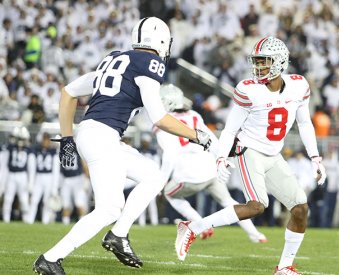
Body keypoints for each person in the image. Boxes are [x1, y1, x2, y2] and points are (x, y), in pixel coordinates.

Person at [33, 17, 211, 275]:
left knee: (153, 176)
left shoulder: (116, 58)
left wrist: (67, 136)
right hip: (102, 136)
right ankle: (50, 259)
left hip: (96, 134)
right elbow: (160, 118)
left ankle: (118, 235)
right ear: (160, 40)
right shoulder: (150, 64)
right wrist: (197, 135)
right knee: (109, 208)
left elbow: (68, 92)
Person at [174, 37, 326, 275]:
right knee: (257, 206)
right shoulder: (249, 89)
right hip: (249, 150)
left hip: (274, 154)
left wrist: (315, 158)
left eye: (264, 62)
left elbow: (305, 123)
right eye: (256, 62)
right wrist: (222, 157)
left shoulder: (298, 85)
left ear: (280, 62)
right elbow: (231, 129)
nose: (259, 67)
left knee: (300, 208)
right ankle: (193, 227)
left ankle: (284, 267)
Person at [157, 84, 267, 242]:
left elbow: (169, 154)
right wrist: (221, 157)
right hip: (209, 167)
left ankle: (201, 225)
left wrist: (160, 182)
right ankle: (255, 234)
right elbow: (210, 138)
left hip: (189, 172)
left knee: (169, 194)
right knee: (228, 201)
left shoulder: (163, 123)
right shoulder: (194, 114)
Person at [1, 126, 35, 223]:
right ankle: (6, 219)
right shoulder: (10, 148)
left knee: (24, 199)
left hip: (22, 175)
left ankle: (26, 219)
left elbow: (31, 169)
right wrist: (2, 181)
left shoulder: (28, 150)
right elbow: (4, 166)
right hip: (11, 175)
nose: (20, 141)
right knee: (8, 198)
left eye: (22, 139)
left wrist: (30, 183)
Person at [26, 132, 60, 224]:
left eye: (47, 139)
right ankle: (30, 219)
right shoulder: (36, 150)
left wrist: (54, 186)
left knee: (46, 201)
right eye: (44, 139)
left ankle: (45, 220)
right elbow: (32, 168)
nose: (45, 142)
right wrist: (31, 182)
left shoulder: (53, 152)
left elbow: (56, 170)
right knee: (34, 199)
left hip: (49, 177)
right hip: (39, 177)